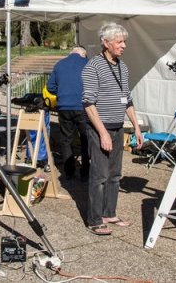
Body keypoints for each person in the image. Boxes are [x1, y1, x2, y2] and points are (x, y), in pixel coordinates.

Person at [82, 22, 143, 236]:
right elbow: (88, 103)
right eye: (119, 42)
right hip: (100, 128)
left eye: (124, 41)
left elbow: (127, 99)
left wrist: (136, 127)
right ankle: (94, 219)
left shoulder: (122, 67)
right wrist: (102, 133)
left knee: (115, 175)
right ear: (106, 43)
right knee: (99, 175)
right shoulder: (93, 66)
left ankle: (110, 212)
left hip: (118, 128)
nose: (124, 45)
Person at [47, 46, 89, 180]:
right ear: (83, 54)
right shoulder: (87, 63)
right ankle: (85, 172)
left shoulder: (59, 64)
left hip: (63, 106)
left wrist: (61, 93)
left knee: (66, 139)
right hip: (82, 107)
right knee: (85, 138)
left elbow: (50, 87)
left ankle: (69, 171)